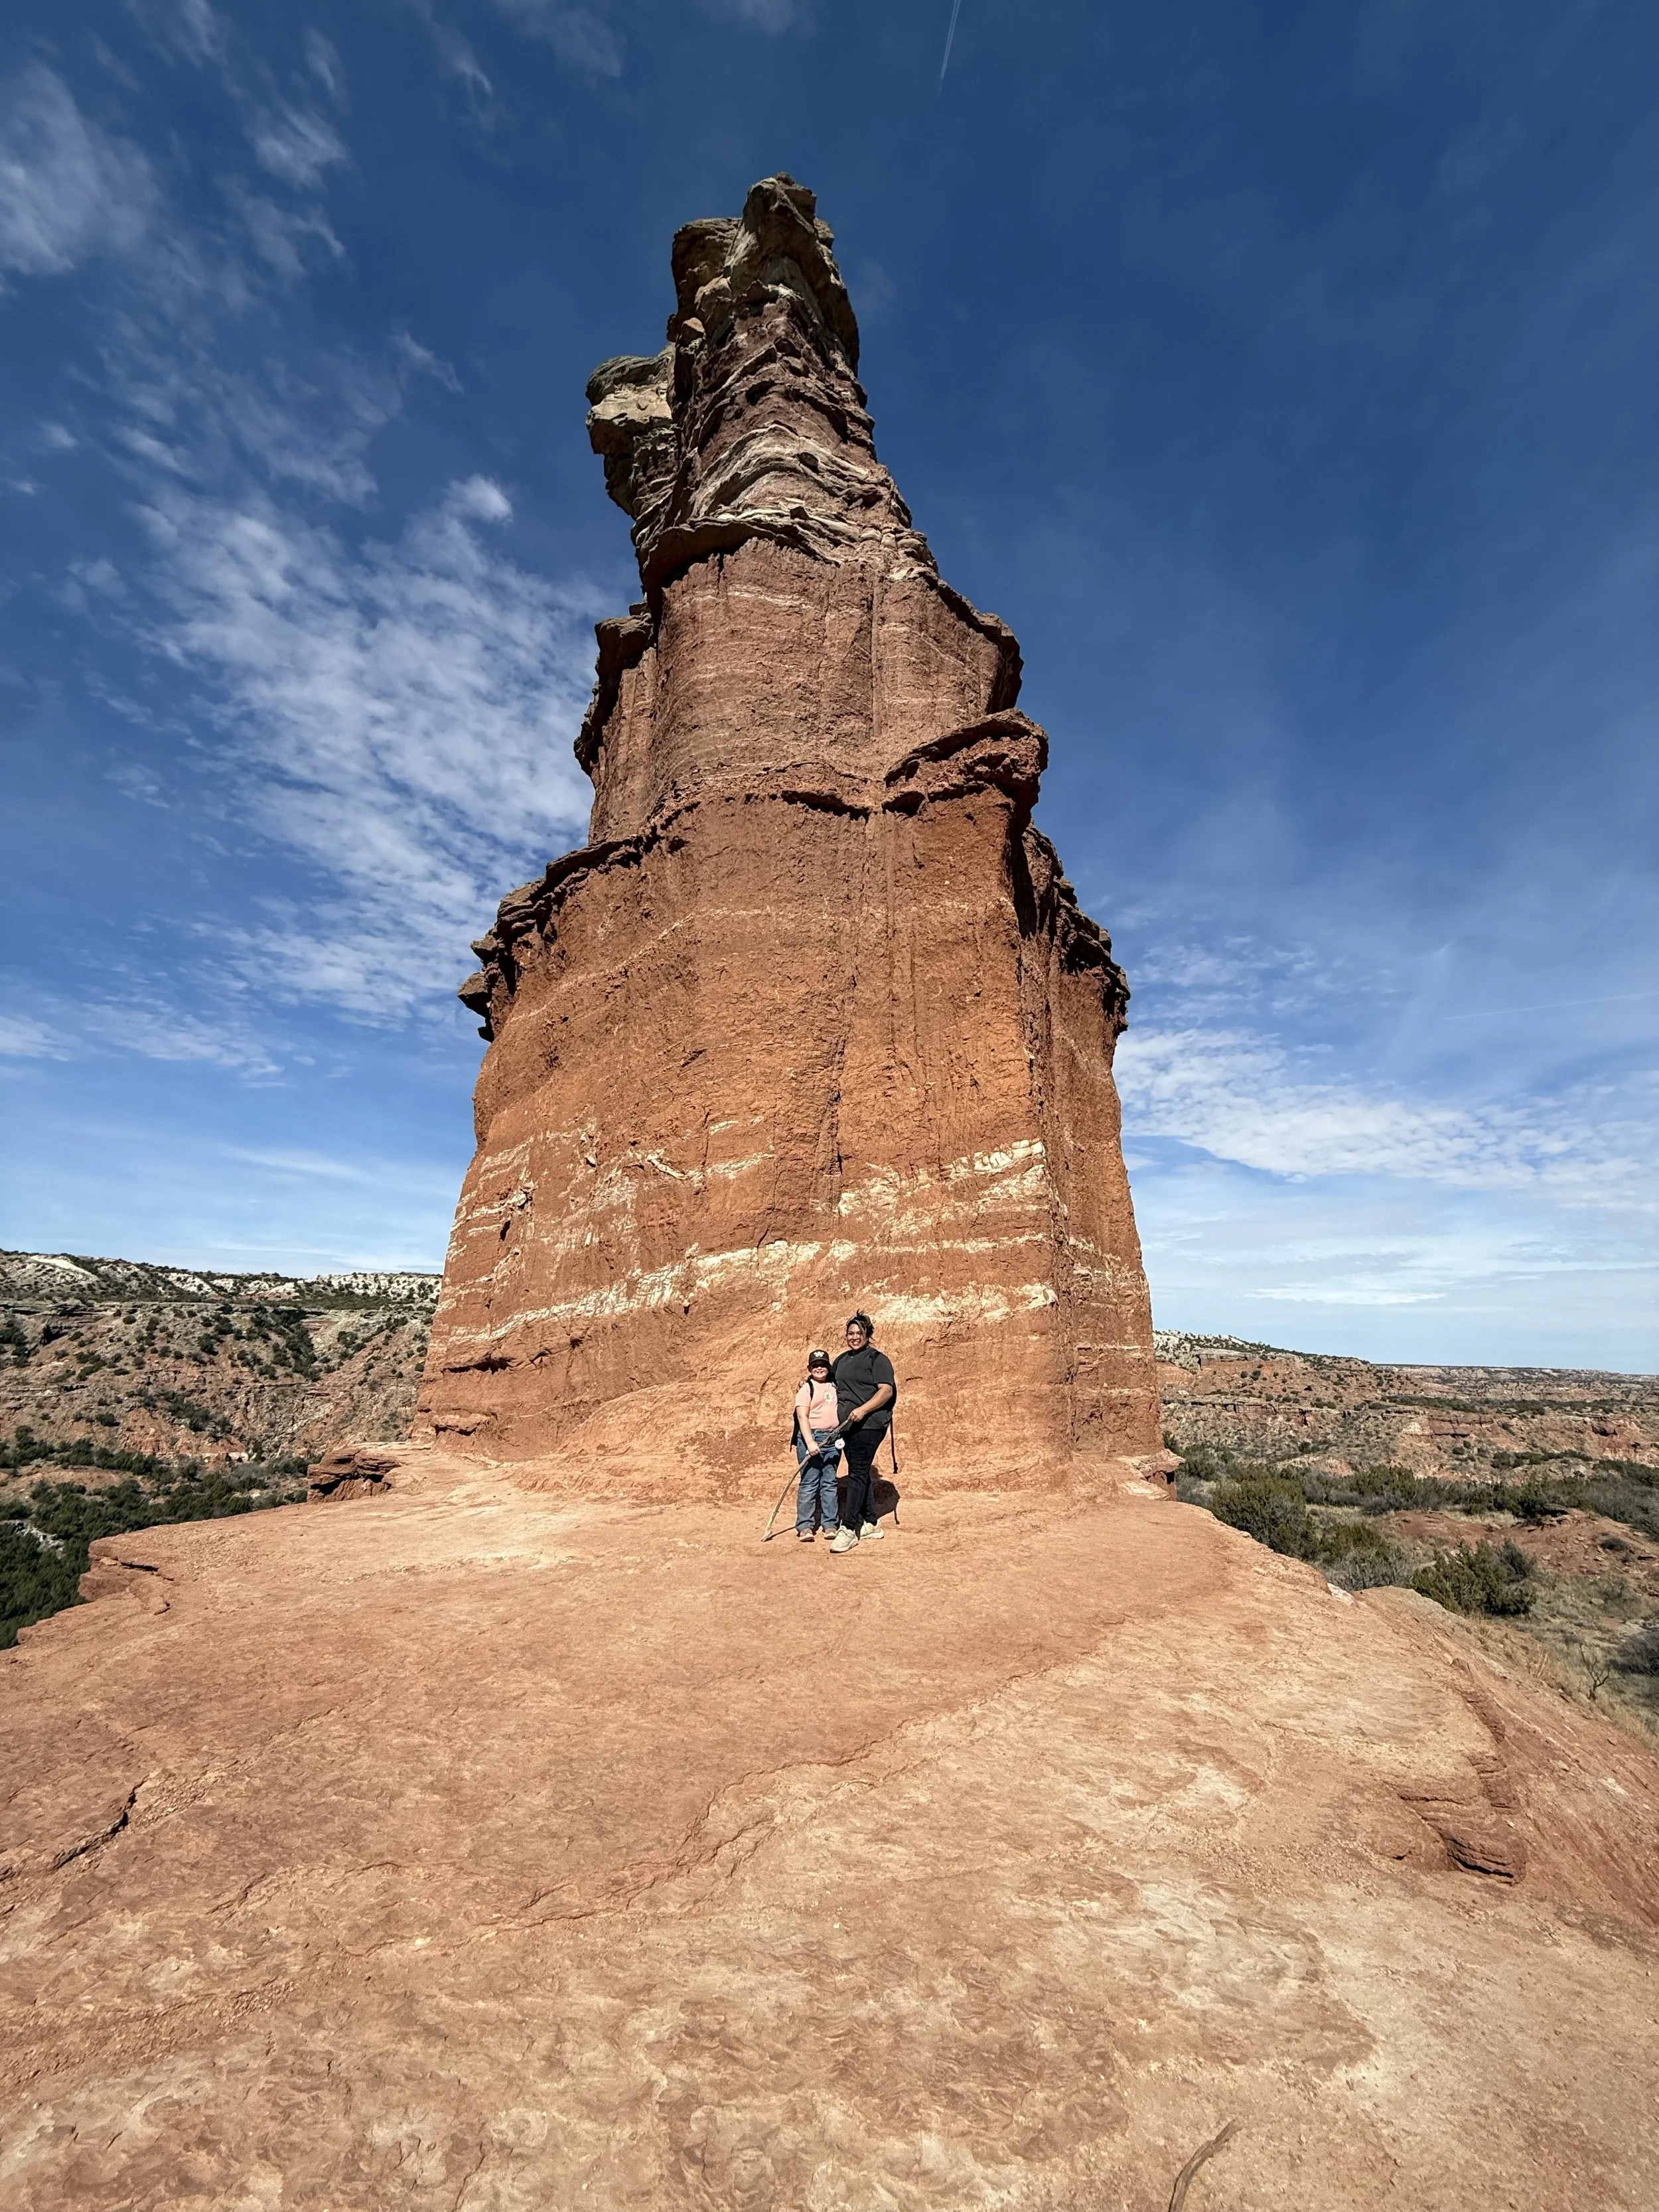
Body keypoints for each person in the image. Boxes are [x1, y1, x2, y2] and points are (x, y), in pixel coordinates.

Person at [827, 1311, 895, 1555]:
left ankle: (848, 1529)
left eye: (859, 1333)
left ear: (868, 1335)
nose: (854, 1337)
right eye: (851, 1333)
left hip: (870, 1425)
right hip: (848, 1426)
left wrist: (863, 1410)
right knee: (861, 1470)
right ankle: (872, 1523)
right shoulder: (841, 1360)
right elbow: (830, 1381)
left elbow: (886, 1391)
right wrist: (807, 1383)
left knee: (856, 1472)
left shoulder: (878, 1359)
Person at [792, 1348, 842, 1543]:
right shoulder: (806, 1389)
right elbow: (802, 1416)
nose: (819, 1368)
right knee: (809, 1483)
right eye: (815, 1365)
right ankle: (805, 1526)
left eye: (823, 1365)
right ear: (809, 1368)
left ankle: (830, 1524)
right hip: (811, 1438)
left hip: (832, 1439)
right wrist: (810, 1442)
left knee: (829, 1482)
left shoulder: (834, 1386)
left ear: (829, 1367)